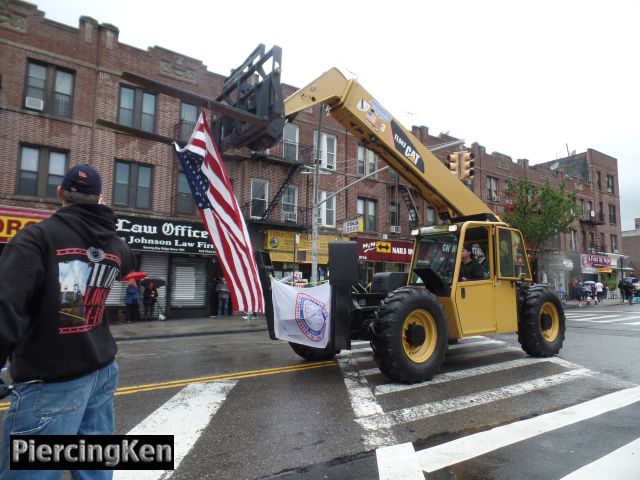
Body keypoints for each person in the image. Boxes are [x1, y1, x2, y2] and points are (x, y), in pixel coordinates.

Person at [0, 164, 135, 479]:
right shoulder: (117, 246)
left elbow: (6, 304)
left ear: (59, 193)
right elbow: (122, 268)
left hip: (52, 376)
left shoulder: (37, 238)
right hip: (102, 368)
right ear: (99, 198)